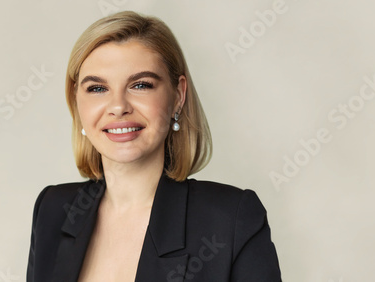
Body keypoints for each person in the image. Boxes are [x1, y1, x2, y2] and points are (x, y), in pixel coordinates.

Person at [26, 11, 281, 282]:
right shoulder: (53, 208)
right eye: (97, 88)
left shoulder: (231, 219)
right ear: (76, 100)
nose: (118, 107)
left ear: (178, 96)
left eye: (140, 85)